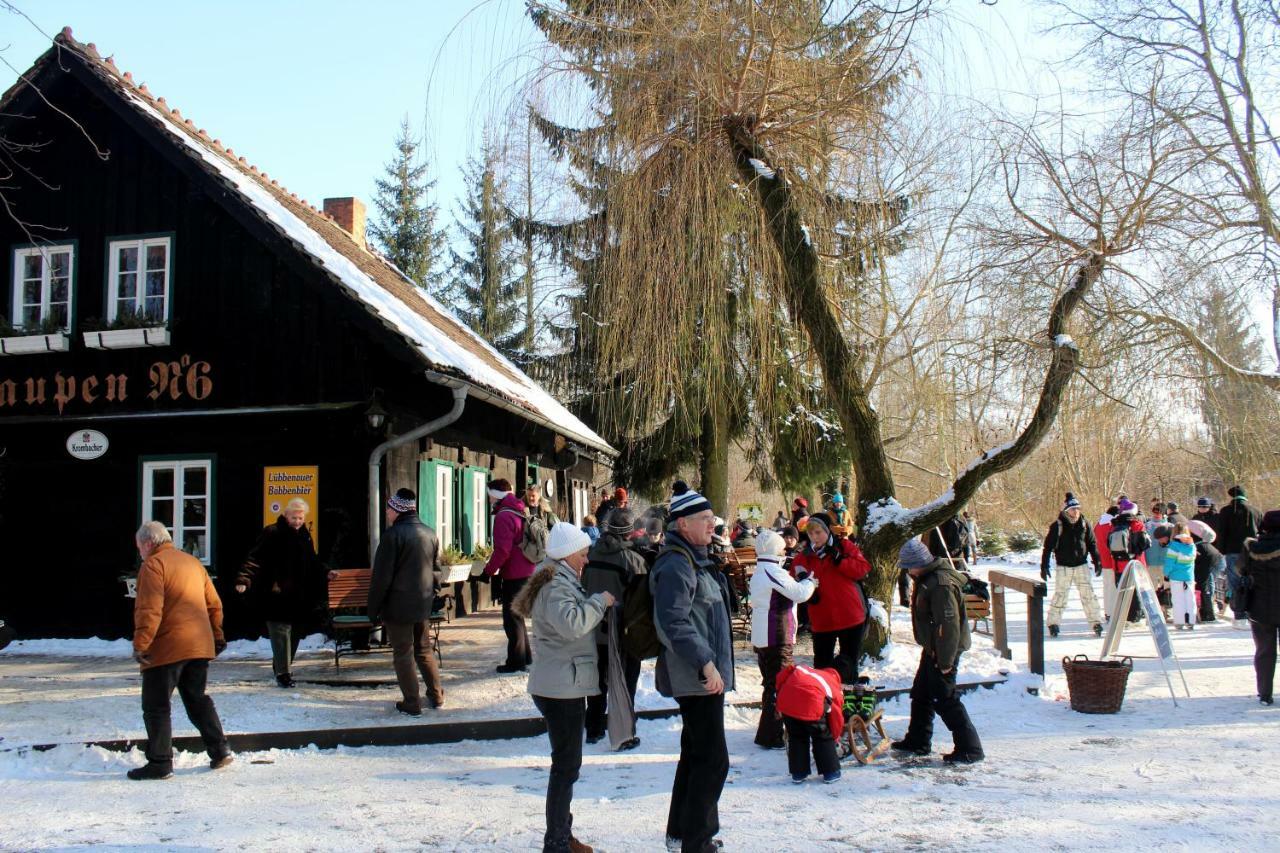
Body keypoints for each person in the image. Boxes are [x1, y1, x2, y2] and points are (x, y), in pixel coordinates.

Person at [512, 522, 615, 853]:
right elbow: (572, 624)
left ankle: (561, 837)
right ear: (569, 554)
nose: (586, 559)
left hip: (562, 682)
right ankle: (557, 842)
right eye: (583, 553)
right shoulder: (556, 585)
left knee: (567, 765)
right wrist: (599, 602)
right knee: (566, 767)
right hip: (560, 688)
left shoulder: (558, 577)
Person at [651, 481, 734, 853]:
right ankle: (696, 841)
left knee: (696, 755)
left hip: (703, 675)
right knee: (713, 760)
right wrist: (705, 663)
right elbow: (673, 622)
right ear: (682, 523)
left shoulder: (696, 558)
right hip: (695, 676)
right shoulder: (675, 564)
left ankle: (682, 833)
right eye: (704, 519)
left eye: (712, 518)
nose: (711, 525)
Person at [128, 521, 232, 780]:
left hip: (166, 647)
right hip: (198, 645)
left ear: (149, 543)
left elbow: (149, 609)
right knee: (197, 699)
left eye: (140, 547)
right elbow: (214, 604)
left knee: (156, 706)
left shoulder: (154, 564)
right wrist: (217, 636)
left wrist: (142, 644)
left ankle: (160, 763)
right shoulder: (193, 563)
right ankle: (220, 751)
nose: (140, 552)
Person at [891, 538, 984, 764]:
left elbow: (948, 625)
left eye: (909, 567)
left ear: (919, 563)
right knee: (921, 693)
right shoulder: (926, 578)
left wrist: (945, 661)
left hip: (944, 650)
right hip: (933, 647)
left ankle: (970, 748)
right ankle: (918, 739)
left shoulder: (940, 585)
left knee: (945, 698)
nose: (908, 572)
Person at [234, 498, 327, 687]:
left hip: (298, 594)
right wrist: (243, 579)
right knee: (280, 632)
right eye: (294, 517)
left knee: (295, 633)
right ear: (286, 515)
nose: (298, 521)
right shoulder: (272, 532)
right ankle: (284, 674)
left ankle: (281, 667)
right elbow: (255, 557)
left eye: (301, 518)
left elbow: (312, 560)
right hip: (275, 593)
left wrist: (326, 572)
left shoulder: (304, 535)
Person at [368, 488, 444, 715]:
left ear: (397, 510)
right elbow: (436, 571)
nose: (387, 513)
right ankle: (437, 695)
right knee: (424, 649)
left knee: (403, 653)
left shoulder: (392, 536)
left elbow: (381, 578)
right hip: (422, 603)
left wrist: (373, 609)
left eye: (389, 508)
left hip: (397, 605)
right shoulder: (430, 533)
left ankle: (412, 702)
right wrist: (432, 594)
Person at [582, 508, 647, 747]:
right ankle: (623, 733)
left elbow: (584, 586)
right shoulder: (633, 560)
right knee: (624, 683)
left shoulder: (591, 554)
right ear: (629, 532)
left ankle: (593, 728)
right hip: (622, 632)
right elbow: (641, 601)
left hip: (593, 627)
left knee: (597, 683)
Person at [748, 529, 817, 750]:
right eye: (781, 547)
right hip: (776, 633)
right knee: (778, 684)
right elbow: (799, 593)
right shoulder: (772, 571)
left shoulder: (761, 569)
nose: (784, 549)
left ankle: (770, 731)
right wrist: (811, 582)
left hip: (764, 634)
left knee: (771, 682)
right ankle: (771, 734)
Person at [792, 513, 872, 682]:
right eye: (811, 533)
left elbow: (863, 569)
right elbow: (793, 583)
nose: (815, 537)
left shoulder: (843, 547)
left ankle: (848, 703)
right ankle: (826, 704)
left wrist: (840, 560)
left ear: (828, 531)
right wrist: (807, 595)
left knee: (849, 664)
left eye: (818, 532)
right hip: (822, 620)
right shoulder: (802, 557)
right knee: (822, 667)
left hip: (850, 616)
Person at [485, 478, 538, 673]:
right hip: (527, 570)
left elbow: (503, 550)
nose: (489, 499)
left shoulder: (503, 516)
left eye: (490, 495)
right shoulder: (518, 509)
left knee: (512, 619)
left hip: (514, 573)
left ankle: (516, 661)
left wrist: (488, 571)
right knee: (518, 617)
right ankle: (525, 657)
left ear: (496, 495)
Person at [1040, 493, 1104, 638]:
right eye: (1073, 509)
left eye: (1077, 509)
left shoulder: (1084, 523)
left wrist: (1097, 561)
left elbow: (1092, 544)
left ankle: (1096, 622)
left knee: (1088, 595)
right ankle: (1053, 623)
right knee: (1061, 595)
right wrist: (1044, 566)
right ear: (1066, 510)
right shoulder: (1057, 525)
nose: (1076, 512)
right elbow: (1048, 547)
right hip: (1064, 566)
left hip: (1081, 565)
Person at [775, 662, 845, 784]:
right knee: (822, 737)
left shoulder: (805, 670)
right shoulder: (831, 683)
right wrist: (835, 735)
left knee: (796, 737)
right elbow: (836, 714)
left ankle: (798, 774)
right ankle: (831, 773)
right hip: (810, 705)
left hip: (787, 702)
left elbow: (781, 676)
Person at [1238, 509, 1280, 705]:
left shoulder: (1251, 547)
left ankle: (1265, 693)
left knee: (1264, 651)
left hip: (1260, 606)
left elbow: (1241, 570)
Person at [1097, 498, 1149, 624]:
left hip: (1117, 564)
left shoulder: (1113, 525)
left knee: (1122, 590)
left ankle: (1121, 615)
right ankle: (1134, 618)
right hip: (1135, 563)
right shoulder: (1137, 525)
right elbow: (1144, 544)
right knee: (1136, 590)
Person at [1219, 485, 1263, 626]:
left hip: (1232, 551)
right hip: (1252, 551)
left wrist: (1222, 550)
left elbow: (1222, 532)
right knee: (1251, 581)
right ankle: (1252, 612)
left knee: (1235, 582)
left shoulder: (1226, 511)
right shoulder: (1256, 511)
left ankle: (1239, 615)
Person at [1164, 522, 1198, 630]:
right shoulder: (1192, 546)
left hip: (1176, 577)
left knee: (1178, 599)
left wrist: (1166, 574)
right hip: (1189, 576)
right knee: (1190, 598)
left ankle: (1179, 621)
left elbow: (1170, 562)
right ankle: (1191, 620)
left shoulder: (1173, 546)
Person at [1189, 519, 1222, 624]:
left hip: (1206, 559)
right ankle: (1207, 612)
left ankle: (1208, 614)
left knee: (1204, 586)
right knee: (1206, 585)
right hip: (1212, 556)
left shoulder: (1195, 541)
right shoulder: (1201, 540)